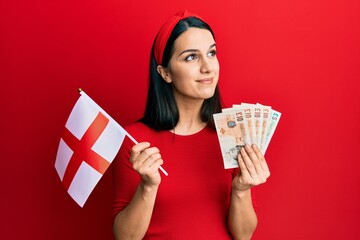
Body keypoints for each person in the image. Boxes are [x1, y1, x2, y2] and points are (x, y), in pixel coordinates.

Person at [112, 10, 270, 240]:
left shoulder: (232, 133)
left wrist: (241, 189)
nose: (208, 67)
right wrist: (148, 186)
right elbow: (124, 237)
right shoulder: (135, 141)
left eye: (211, 53)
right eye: (191, 57)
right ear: (165, 73)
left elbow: (243, 235)